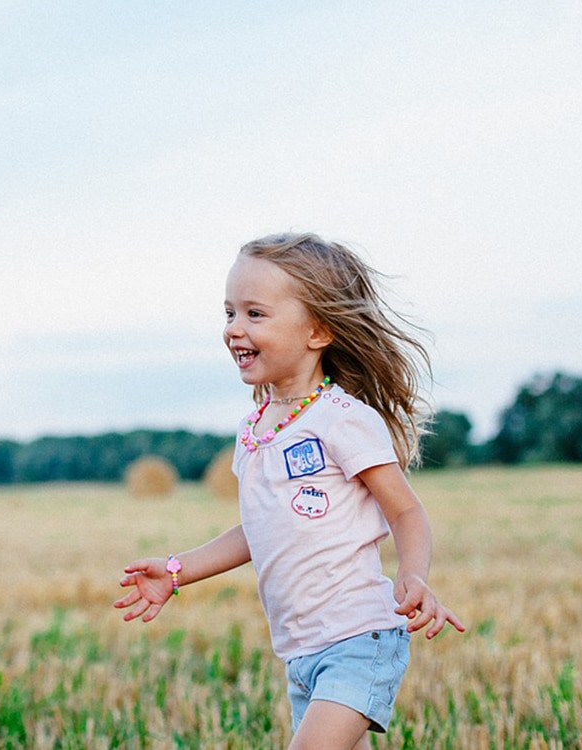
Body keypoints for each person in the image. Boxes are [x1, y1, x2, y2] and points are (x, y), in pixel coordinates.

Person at [114, 233, 465, 749]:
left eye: (255, 314)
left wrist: (412, 575)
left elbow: (405, 511)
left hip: (358, 639)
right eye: (229, 313)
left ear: (318, 331)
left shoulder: (343, 420)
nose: (235, 329)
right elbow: (258, 529)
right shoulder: (255, 430)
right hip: (300, 652)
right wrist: (176, 570)